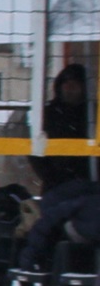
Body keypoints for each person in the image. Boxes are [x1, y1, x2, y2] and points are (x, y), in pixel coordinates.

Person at [36, 63, 92, 193]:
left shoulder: (92, 114)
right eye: (66, 83)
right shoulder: (48, 114)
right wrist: (50, 177)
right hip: (56, 186)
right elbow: (35, 152)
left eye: (74, 84)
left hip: (90, 187)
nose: (69, 88)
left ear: (84, 87)